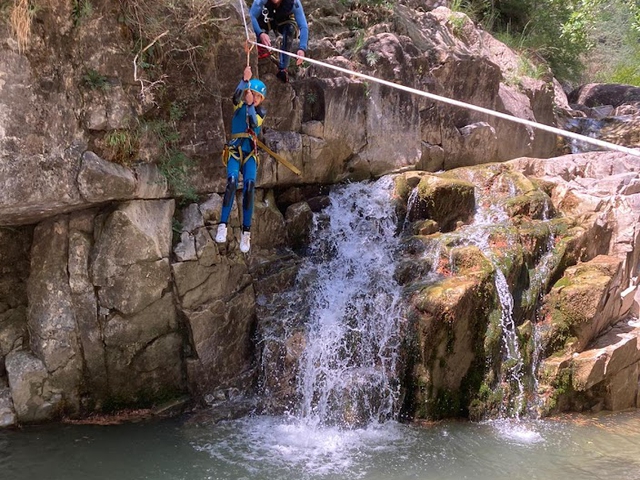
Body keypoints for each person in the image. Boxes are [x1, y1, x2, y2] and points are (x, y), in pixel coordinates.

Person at [215, 65, 267, 253]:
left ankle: (246, 232)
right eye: (252, 94)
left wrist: (252, 106)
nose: (254, 97)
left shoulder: (260, 113)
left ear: (261, 99)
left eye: (258, 96)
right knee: (231, 182)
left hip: (250, 153)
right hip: (235, 150)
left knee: (249, 186)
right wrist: (244, 80)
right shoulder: (239, 105)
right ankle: (222, 224)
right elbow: (235, 97)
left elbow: (253, 123)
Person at [249, 0, 308, 83]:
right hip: (265, 19)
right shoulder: (261, 1)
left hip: (282, 20)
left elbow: (303, 26)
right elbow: (251, 16)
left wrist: (302, 48)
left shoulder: (294, 2)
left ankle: (283, 68)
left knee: (290, 29)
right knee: (256, 25)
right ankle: (259, 48)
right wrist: (260, 33)